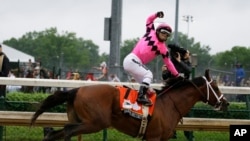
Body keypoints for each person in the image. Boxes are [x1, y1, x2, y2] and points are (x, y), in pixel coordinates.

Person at [123, 11, 179, 106]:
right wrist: (156, 15)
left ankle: (139, 106)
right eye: (163, 33)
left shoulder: (164, 49)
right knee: (149, 74)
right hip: (132, 59)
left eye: (167, 35)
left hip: (135, 63)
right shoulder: (150, 31)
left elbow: (169, 63)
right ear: (158, 31)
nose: (164, 35)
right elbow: (149, 20)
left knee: (149, 90)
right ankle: (140, 97)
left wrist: (177, 75)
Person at [161, 44, 193, 140]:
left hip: (183, 94)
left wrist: (180, 61)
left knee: (186, 114)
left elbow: (189, 71)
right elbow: (166, 77)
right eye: (187, 53)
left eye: (187, 53)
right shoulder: (172, 64)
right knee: (171, 113)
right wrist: (164, 72)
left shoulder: (187, 64)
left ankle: (189, 135)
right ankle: (172, 133)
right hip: (172, 93)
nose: (187, 54)